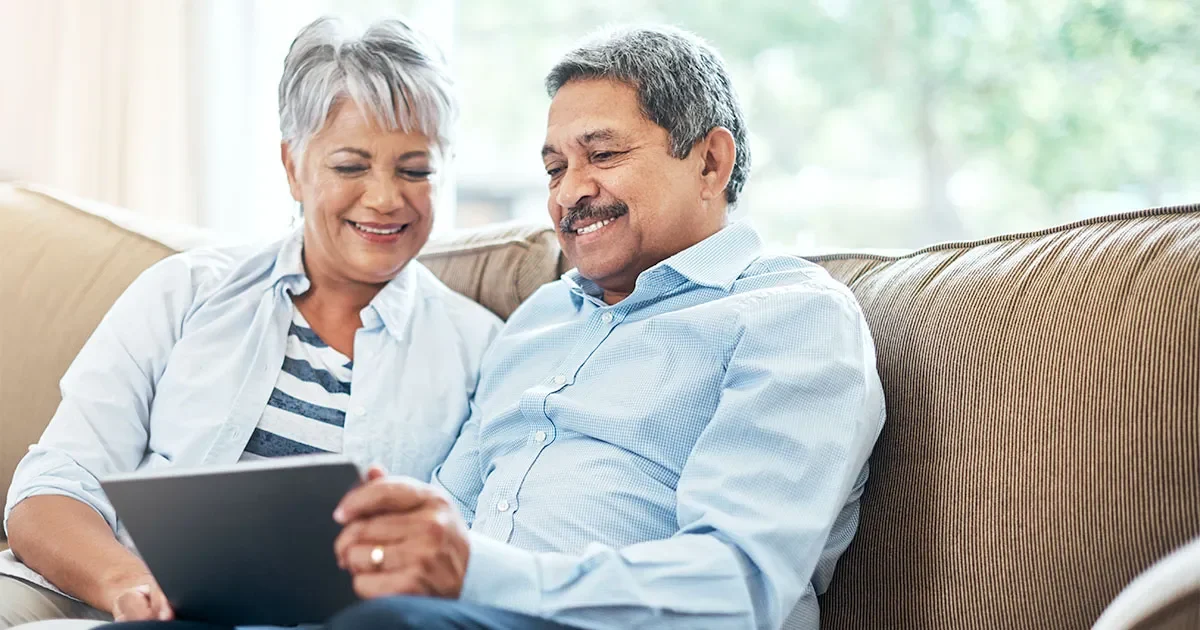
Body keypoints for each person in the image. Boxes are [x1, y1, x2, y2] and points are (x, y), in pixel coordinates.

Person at [103, 24, 885, 630]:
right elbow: (455, 501)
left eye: (601, 155)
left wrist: (472, 572)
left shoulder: (791, 319)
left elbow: (738, 585)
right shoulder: (542, 318)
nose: (568, 194)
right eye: (552, 169)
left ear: (711, 161)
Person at [0, 16, 499, 628]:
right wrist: (129, 586)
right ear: (293, 165)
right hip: (110, 597)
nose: (385, 197)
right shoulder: (185, 290)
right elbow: (49, 491)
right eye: (350, 166)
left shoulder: (479, 352)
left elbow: (464, 553)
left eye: (414, 170)